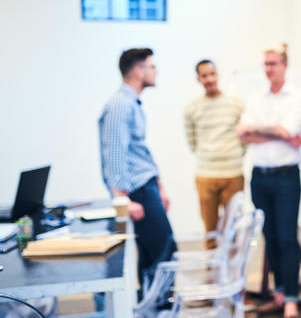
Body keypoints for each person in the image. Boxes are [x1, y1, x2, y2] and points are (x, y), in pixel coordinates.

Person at [236, 44, 301, 318]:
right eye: (265, 64)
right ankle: (279, 292)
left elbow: (289, 130)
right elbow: (242, 134)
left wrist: (262, 130)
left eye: (274, 63)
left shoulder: (297, 97)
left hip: (286, 177)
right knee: (271, 237)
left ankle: (291, 297)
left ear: (285, 65)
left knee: (288, 238)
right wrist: (277, 133)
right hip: (259, 177)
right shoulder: (256, 98)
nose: (269, 68)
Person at [99, 48, 177, 288]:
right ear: (137, 70)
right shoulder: (121, 105)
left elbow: (139, 151)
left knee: (151, 256)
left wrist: (160, 185)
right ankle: (160, 310)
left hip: (147, 185)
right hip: (138, 191)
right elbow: (114, 153)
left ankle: (151, 310)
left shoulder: (132, 103)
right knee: (166, 252)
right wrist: (122, 200)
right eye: (152, 66)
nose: (155, 72)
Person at [184, 59, 245, 249]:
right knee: (210, 230)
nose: (209, 79)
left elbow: (245, 138)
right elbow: (192, 141)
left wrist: (233, 153)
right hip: (206, 175)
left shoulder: (236, 104)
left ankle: (233, 274)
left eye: (212, 74)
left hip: (233, 173)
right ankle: (213, 273)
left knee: (232, 228)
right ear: (198, 79)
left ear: (217, 74)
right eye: (204, 75)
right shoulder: (192, 108)